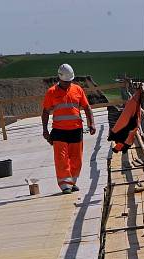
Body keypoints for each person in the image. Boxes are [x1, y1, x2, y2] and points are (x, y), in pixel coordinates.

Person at [41, 63, 96, 194]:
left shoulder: (77, 90)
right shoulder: (51, 93)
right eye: (65, 82)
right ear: (59, 78)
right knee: (61, 159)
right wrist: (45, 130)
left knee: (77, 159)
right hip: (59, 132)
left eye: (69, 81)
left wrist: (91, 123)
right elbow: (45, 112)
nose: (67, 84)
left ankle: (72, 182)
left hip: (76, 130)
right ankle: (65, 185)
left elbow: (87, 107)